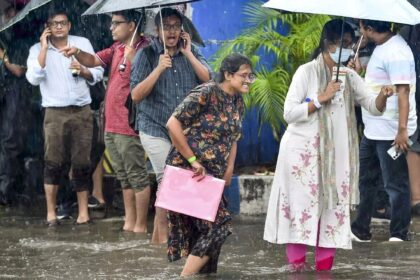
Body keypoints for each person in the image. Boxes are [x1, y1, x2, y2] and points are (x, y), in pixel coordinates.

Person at [263, 19, 392, 271]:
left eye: (349, 44)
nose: (345, 49)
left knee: (333, 214)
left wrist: (383, 96)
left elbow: (373, 108)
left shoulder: (350, 76)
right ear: (327, 43)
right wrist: (320, 99)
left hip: (337, 159)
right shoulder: (306, 72)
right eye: (341, 44)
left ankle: (324, 273)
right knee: (301, 211)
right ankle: (297, 270)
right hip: (303, 156)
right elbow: (289, 113)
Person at [61, 10, 151, 233]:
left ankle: (140, 224)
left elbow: (148, 79)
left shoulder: (146, 49)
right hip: (111, 123)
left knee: (137, 175)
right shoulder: (117, 48)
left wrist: (133, 58)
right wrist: (77, 52)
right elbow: (92, 60)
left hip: (129, 123)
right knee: (124, 177)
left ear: (132, 25)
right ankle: (129, 221)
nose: (111, 28)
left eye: (116, 23)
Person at [130, 7, 212, 243]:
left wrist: (188, 54)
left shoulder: (191, 51)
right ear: (157, 30)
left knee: (173, 182)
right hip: (154, 127)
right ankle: (166, 240)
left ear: (182, 30)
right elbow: (136, 96)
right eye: (166, 26)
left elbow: (209, 80)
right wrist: (158, 68)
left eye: (176, 26)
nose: (172, 31)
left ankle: (157, 240)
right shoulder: (145, 55)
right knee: (168, 179)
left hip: (184, 131)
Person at [165, 53, 251, 276]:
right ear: (228, 74)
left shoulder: (238, 102)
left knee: (207, 239)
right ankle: (184, 277)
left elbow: (233, 138)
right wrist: (193, 161)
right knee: (219, 227)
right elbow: (172, 124)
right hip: (191, 172)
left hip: (215, 175)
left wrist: (230, 169)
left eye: (251, 76)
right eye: (244, 75)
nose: (249, 80)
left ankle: (205, 276)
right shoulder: (207, 92)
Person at [26, 10, 104, 226]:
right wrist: (43, 48)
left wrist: (83, 70)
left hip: (81, 110)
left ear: (69, 25)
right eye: (54, 24)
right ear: (47, 27)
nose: (58, 27)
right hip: (54, 112)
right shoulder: (36, 49)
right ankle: (51, 212)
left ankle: (82, 213)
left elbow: (97, 72)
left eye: (62, 23)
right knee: (53, 162)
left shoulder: (81, 43)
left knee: (82, 162)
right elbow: (33, 78)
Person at [351, 19, 417, 242]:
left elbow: (404, 93)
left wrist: (402, 130)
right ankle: (360, 229)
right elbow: (377, 86)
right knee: (367, 180)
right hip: (373, 129)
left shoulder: (396, 52)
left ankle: (398, 233)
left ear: (370, 30)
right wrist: (357, 73)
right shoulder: (381, 48)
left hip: (391, 131)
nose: (359, 31)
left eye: (361, 27)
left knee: (395, 184)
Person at [0, 3, 35, 206]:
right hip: (5, 91)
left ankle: (5, 191)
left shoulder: (21, 39)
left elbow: (19, 70)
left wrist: (3, 55)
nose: (8, 17)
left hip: (16, 93)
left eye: (11, 13)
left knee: (10, 141)